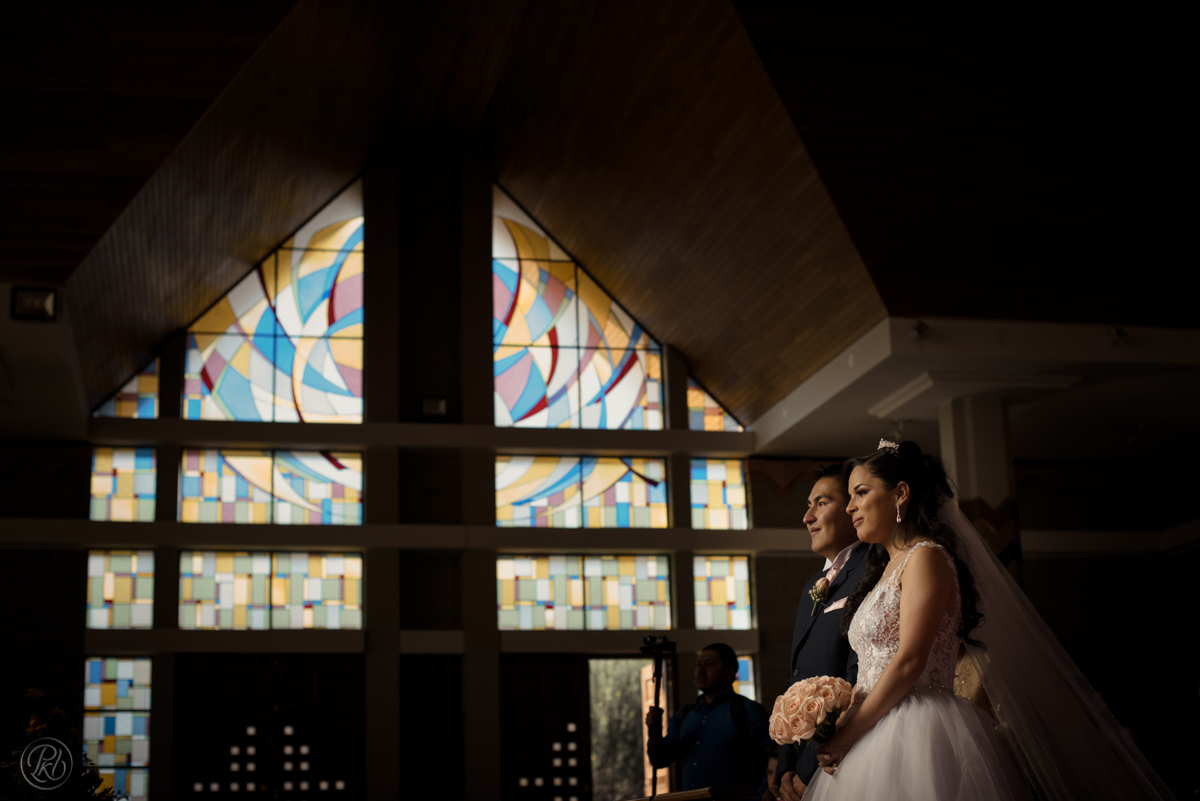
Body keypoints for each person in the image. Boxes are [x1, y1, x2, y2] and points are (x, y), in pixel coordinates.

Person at [804, 440, 1172, 801]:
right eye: (850, 496)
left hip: (917, 728)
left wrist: (849, 733)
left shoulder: (926, 557)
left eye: (861, 492)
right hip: (873, 725)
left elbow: (910, 660)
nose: (851, 506)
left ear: (900, 494)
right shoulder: (884, 569)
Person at [768, 463, 870, 801]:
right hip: (799, 765)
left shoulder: (872, 572)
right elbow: (793, 681)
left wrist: (807, 768)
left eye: (821, 503)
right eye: (808, 505)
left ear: (852, 509)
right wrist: (785, 764)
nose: (807, 517)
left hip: (840, 759)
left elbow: (858, 677)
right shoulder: (813, 585)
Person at [646, 643, 773, 794]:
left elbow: (773, 755)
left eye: (709, 664)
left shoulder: (747, 710)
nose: (700, 671)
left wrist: (765, 791)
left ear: (729, 672)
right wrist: (654, 730)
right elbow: (659, 760)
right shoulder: (684, 715)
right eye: (698, 664)